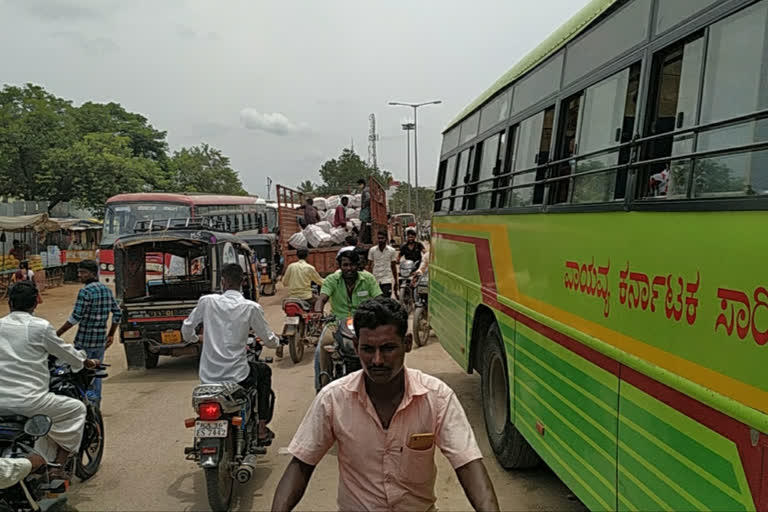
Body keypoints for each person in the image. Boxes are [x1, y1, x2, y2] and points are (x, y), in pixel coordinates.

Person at [272, 296, 500, 512]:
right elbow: (301, 465)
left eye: (388, 348)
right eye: (368, 349)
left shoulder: (437, 397)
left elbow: (468, 465)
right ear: (355, 345)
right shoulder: (333, 399)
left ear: (407, 343)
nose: (377, 360)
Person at [0, 281, 99, 480]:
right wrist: (86, 362)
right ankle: (59, 467)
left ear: (9, 302)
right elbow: (66, 352)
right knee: (76, 409)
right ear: (36, 302)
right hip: (29, 402)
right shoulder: (40, 327)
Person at [182, 263, 280, 446]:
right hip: (238, 376)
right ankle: (260, 428)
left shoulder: (207, 301)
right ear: (243, 281)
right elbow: (268, 339)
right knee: (264, 372)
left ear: (223, 281)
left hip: (208, 377)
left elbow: (186, 328)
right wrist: (278, 342)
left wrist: (196, 338)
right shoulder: (251, 307)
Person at [312, 248, 381, 391]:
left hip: (364, 323)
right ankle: (322, 387)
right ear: (340, 266)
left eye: (352, 265)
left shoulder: (368, 279)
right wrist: (318, 311)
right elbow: (322, 298)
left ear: (358, 265)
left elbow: (378, 298)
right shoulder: (332, 280)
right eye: (345, 265)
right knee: (322, 347)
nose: (349, 268)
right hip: (336, 323)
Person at [57, 260, 121, 408]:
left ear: (92, 273)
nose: (80, 275)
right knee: (96, 373)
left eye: (83, 272)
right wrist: (111, 334)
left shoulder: (85, 292)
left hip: (84, 341)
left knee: (80, 373)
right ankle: (95, 404)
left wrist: (57, 334)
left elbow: (75, 318)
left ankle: (84, 404)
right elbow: (117, 314)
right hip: (100, 341)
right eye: (79, 272)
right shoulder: (106, 290)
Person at [368, 229, 398, 298]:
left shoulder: (392, 251)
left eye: (382, 238)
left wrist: (396, 281)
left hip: (387, 279)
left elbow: (393, 267)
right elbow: (369, 266)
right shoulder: (372, 250)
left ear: (386, 239)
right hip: (375, 280)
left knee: (386, 300)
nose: (380, 240)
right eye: (379, 238)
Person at [357, 179, 372, 244]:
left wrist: (364, 205)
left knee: (363, 224)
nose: (359, 186)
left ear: (362, 184)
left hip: (366, 208)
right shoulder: (367, 189)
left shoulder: (365, 190)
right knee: (364, 224)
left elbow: (368, 198)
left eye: (359, 185)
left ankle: (360, 239)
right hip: (367, 208)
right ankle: (362, 239)